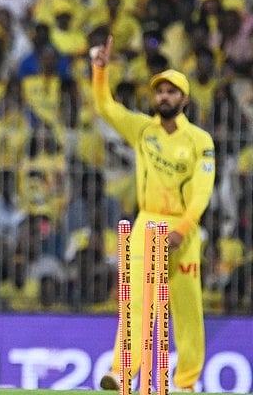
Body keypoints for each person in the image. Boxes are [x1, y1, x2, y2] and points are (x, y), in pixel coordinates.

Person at [91, 37, 214, 393]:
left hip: (183, 229)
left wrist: (183, 229)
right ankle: (121, 371)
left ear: (184, 100)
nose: (163, 97)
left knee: (187, 308)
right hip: (148, 222)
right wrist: (99, 69)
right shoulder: (143, 130)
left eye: (172, 92)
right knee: (137, 300)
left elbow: (202, 192)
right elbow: (106, 107)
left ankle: (187, 383)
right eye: (159, 91)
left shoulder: (200, 141)